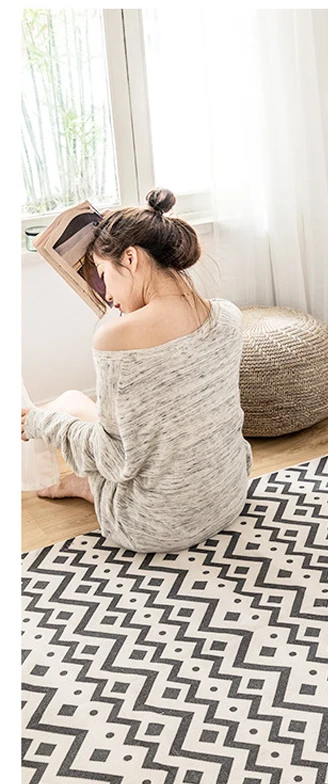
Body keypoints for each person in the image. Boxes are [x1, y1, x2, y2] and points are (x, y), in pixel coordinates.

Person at [21, 188, 253, 553]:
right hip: (229, 495)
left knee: (68, 404)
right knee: (94, 415)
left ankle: (84, 487)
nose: (106, 294)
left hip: (155, 526)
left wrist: (40, 422)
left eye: (102, 274)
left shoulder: (115, 338)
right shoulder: (227, 315)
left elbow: (114, 456)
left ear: (130, 258)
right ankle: (87, 485)